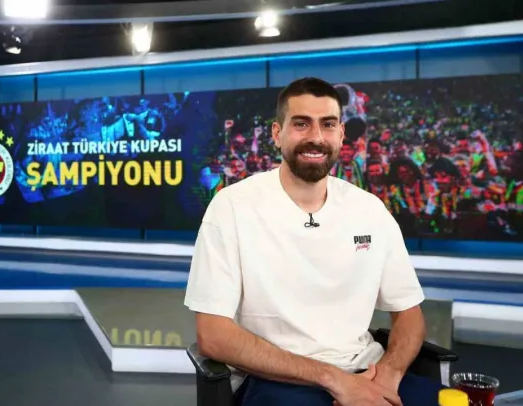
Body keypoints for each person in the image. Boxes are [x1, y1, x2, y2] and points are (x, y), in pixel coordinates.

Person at [184, 77, 443, 406]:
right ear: (277, 133)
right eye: (301, 124)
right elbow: (213, 335)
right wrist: (335, 380)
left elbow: (409, 315)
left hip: (369, 374)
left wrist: (387, 377)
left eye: (328, 124)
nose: (316, 137)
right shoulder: (232, 207)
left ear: (341, 134)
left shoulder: (370, 210)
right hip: (274, 380)